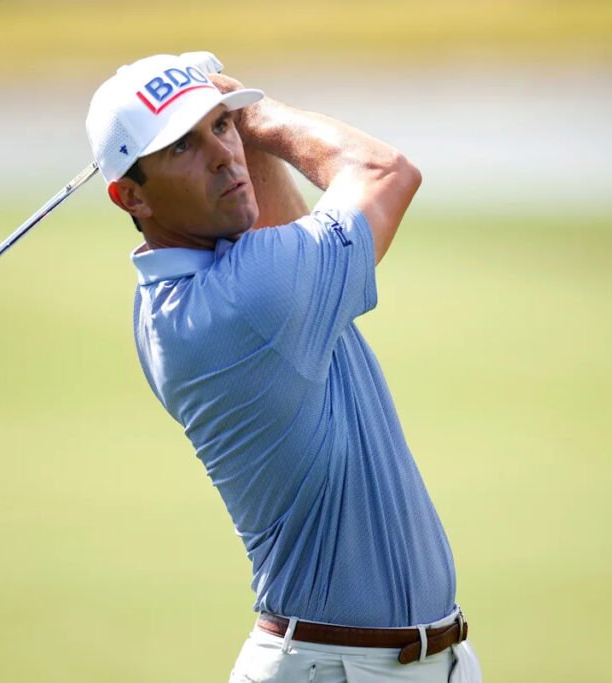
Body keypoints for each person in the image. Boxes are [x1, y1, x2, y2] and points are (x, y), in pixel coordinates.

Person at [86, 52, 481, 683]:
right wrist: (257, 112)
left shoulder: (193, 291)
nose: (224, 154)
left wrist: (232, 120)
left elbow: (282, 232)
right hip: (338, 669)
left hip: (398, 661)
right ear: (130, 195)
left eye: (222, 128)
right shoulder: (243, 303)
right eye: (183, 147)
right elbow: (384, 172)